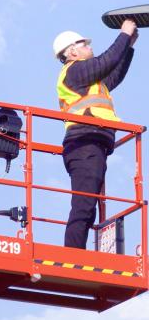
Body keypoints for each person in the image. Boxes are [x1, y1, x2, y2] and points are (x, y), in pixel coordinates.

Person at [53, 19, 138, 249]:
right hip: (84, 145)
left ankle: (76, 253)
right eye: (84, 44)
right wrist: (123, 34)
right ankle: (72, 256)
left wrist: (128, 46)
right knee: (84, 204)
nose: (90, 46)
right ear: (71, 51)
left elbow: (113, 75)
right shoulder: (74, 71)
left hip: (92, 145)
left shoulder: (89, 80)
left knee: (87, 204)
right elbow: (106, 61)